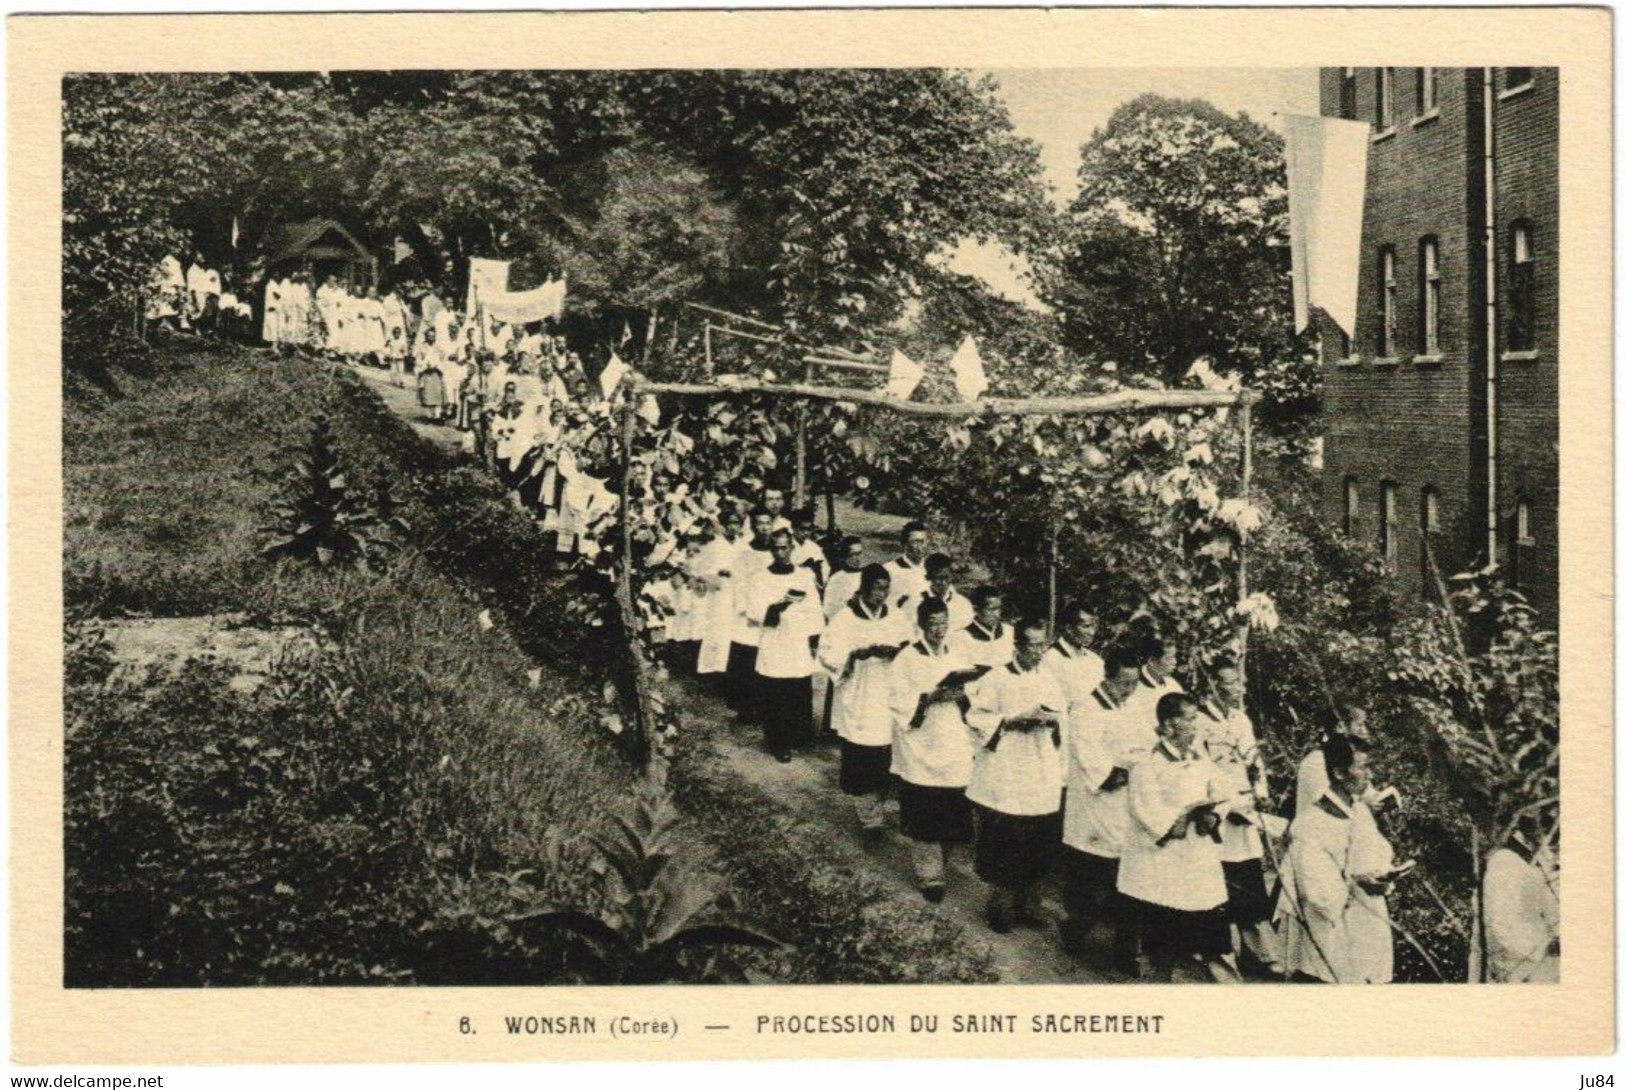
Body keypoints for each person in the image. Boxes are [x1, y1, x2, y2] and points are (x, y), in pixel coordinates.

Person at [1116, 692, 1240, 981]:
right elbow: (1145, 811)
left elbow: (1225, 792)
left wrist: (1214, 815)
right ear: (1169, 725)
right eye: (1190, 719)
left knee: (1213, 932)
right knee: (1163, 939)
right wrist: (1178, 820)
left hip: (1198, 861)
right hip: (1163, 864)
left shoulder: (1201, 758)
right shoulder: (1147, 765)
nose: (1196, 726)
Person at [964, 618, 1066, 933]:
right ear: (1017, 646)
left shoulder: (1049, 678)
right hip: (1007, 769)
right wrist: (1008, 722)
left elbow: (1062, 718)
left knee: (1037, 840)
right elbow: (976, 717)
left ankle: (1030, 904)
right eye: (1032, 645)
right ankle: (1002, 907)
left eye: (1042, 645)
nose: (1038, 652)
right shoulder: (996, 679)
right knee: (1007, 841)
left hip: (1039, 766)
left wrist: (1049, 721)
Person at [1278, 735, 1404, 984]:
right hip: (1333, 936)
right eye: (1361, 767)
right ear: (1338, 773)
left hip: (1368, 924)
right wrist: (1356, 882)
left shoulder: (1359, 811)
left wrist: (1382, 876)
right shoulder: (1310, 825)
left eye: (1368, 766)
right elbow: (1319, 895)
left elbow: (1378, 853)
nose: (1368, 775)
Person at [1059, 645, 1150, 970]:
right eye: (1124, 683)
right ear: (1107, 678)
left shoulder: (1134, 708)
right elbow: (1095, 766)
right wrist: (1126, 769)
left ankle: (1126, 950)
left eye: (1135, 683)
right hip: (1094, 811)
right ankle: (1075, 928)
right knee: (1092, 884)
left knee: (1130, 882)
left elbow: (1147, 748)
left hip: (1128, 810)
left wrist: (1138, 765)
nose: (1129, 690)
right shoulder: (1086, 709)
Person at [888, 597, 979, 902]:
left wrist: (962, 692)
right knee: (926, 810)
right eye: (934, 623)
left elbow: (972, 696)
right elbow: (899, 701)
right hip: (923, 741)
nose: (940, 629)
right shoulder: (907, 659)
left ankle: (942, 860)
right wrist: (928, 698)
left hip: (953, 740)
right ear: (922, 624)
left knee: (953, 807)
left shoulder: (958, 654)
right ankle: (929, 874)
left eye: (944, 622)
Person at [1199, 655, 1281, 976]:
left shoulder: (1241, 719)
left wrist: (1260, 792)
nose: (1239, 688)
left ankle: (1256, 951)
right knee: (1217, 883)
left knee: (1248, 878)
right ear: (1214, 686)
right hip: (1219, 813)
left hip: (1246, 815)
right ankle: (1215, 952)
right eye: (1231, 682)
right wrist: (1223, 806)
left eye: (1239, 681)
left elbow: (1253, 762)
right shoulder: (1201, 723)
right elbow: (1201, 770)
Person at [820, 564, 909, 841]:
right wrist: (855, 655)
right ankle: (869, 817)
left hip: (887, 693)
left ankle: (877, 807)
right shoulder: (846, 618)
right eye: (876, 589)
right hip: (860, 694)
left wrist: (897, 651)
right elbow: (827, 652)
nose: (881, 595)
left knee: (885, 755)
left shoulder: (895, 616)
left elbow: (911, 645)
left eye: (885, 589)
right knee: (862, 755)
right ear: (864, 588)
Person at [745, 528, 824, 762]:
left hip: (797, 640)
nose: (780, 553)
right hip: (774, 640)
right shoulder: (760, 578)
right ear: (771, 550)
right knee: (775, 691)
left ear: (792, 548)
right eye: (776, 548)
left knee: (797, 689)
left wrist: (813, 637)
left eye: (784, 547)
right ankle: (778, 742)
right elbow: (754, 611)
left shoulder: (804, 575)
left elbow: (814, 609)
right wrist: (776, 607)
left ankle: (798, 735)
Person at [1477, 818, 1560, 983]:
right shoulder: (1506, 862)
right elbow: (1501, 922)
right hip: (1524, 967)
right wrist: (1545, 946)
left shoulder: (1537, 864)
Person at [724, 507, 777, 721]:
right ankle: (745, 708)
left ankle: (765, 707)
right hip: (748, 615)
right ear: (753, 527)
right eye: (759, 524)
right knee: (747, 659)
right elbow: (738, 584)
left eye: (767, 523)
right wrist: (748, 612)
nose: (764, 527)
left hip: (771, 612)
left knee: (769, 658)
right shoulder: (745, 553)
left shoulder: (777, 550)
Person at [693, 507, 748, 680]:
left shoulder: (744, 545)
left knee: (737, 628)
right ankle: (714, 669)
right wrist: (717, 573)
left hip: (739, 591)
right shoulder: (714, 546)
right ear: (723, 525)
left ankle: (733, 669)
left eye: (737, 523)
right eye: (730, 523)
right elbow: (700, 571)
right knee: (719, 629)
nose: (733, 527)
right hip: (720, 592)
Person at [1042, 601, 1105, 743]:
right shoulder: (1051, 659)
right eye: (1086, 627)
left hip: (1093, 733)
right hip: (1065, 735)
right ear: (1069, 629)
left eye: (1094, 626)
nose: (1092, 632)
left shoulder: (1095, 661)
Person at [1296, 704, 1371, 819]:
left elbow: (1364, 791)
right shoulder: (1316, 759)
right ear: (1340, 726)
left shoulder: (1357, 759)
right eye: (1359, 725)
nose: (1364, 731)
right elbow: (1324, 801)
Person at [950, 586, 1014, 669]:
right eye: (991, 610)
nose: (997, 614)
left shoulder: (1009, 631)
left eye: (999, 608)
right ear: (976, 609)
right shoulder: (961, 637)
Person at [885, 520, 931, 610]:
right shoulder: (890, 570)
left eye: (924, 541)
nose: (922, 546)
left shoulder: (933, 569)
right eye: (917, 542)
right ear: (905, 545)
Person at [920, 553, 972, 632]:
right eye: (938, 578)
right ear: (928, 577)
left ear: (951, 576)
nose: (943, 583)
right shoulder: (917, 601)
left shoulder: (963, 605)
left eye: (946, 577)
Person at [789, 506, 828, 589]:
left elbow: (825, 570)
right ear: (793, 527)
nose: (806, 533)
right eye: (802, 529)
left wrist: (817, 572)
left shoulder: (814, 548)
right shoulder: (785, 545)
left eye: (809, 529)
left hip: (811, 588)